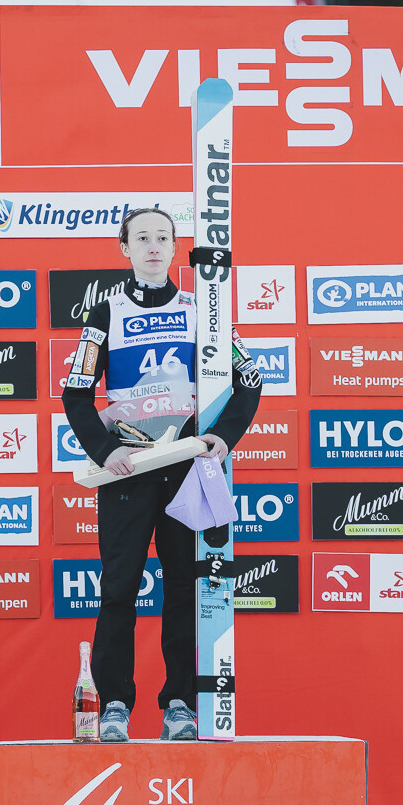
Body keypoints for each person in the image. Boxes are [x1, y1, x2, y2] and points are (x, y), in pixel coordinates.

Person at [61, 207, 262, 742]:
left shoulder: (203, 311)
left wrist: (225, 437)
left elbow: (250, 378)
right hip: (128, 469)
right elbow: (76, 393)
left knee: (184, 589)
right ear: (124, 248)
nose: (153, 247)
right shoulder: (105, 312)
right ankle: (113, 707)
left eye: (163, 238)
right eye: (142, 238)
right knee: (118, 589)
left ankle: (180, 704)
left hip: (186, 468)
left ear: (176, 249)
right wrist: (105, 450)